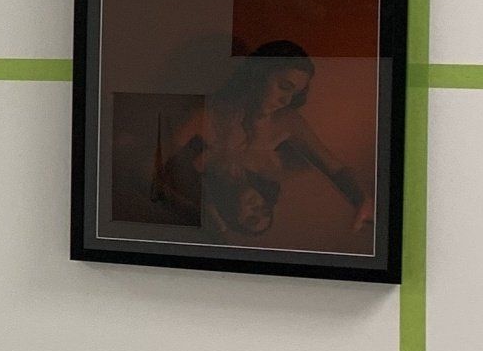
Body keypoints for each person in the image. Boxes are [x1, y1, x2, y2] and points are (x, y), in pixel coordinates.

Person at [154, 39, 373, 247]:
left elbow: (335, 167)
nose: (286, 100)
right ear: (258, 75)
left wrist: (361, 198)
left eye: (295, 93)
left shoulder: (287, 122)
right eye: (284, 86)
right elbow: (155, 171)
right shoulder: (206, 117)